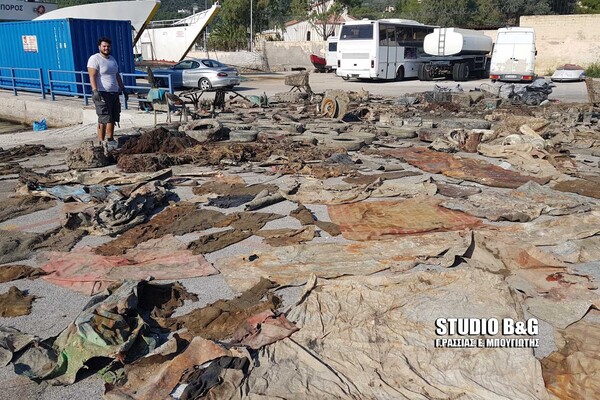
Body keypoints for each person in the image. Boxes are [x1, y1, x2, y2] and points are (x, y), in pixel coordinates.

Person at [87, 37, 128, 150]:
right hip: (102, 93)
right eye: (104, 46)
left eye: (108, 46)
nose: (106, 48)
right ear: (99, 47)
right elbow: (92, 76)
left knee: (114, 117)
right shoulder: (95, 58)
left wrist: (123, 89)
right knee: (105, 118)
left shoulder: (112, 60)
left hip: (113, 93)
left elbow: (117, 75)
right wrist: (95, 91)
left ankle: (110, 139)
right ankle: (101, 142)